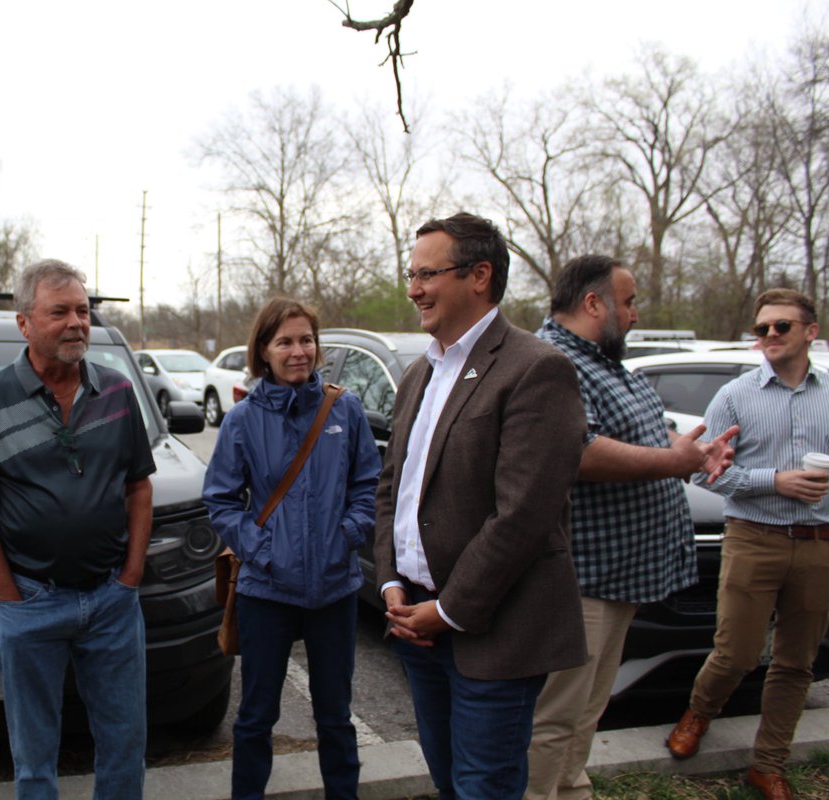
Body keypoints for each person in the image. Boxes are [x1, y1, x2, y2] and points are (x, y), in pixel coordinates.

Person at [374, 212, 589, 799]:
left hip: (492, 630)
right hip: (414, 621)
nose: (413, 288)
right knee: (450, 783)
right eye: (410, 274)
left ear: (479, 275)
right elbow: (392, 488)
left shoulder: (536, 368)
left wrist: (445, 612)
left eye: (427, 274)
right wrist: (392, 584)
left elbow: (522, 516)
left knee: (483, 789)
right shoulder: (421, 370)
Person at [526, 255, 736, 800]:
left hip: (621, 576)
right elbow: (580, 452)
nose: (637, 312)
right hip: (582, 579)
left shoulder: (607, 363)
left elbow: (653, 437)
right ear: (594, 303)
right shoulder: (553, 362)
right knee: (555, 715)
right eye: (630, 300)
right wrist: (675, 463)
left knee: (589, 708)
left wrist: (693, 451)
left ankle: (570, 787)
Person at [0, 260, 155, 799]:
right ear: (24, 323)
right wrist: (9, 597)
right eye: (59, 311)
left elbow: (138, 487)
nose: (76, 323)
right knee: (35, 755)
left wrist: (130, 575)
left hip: (111, 601)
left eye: (83, 311)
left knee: (125, 744)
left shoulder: (116, 392)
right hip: (32, 603)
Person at [203, 297, 381, 800]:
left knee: (335, 716)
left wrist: (348, 533)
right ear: (263, 350)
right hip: (266, 590)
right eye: (285, 341)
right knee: (257, 716)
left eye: (306, 340)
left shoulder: (343, 407)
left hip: (334, 589)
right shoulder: (241, 419)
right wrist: (261, 551)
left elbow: (367, 481)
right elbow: (220, 499)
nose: (298, 351)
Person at [665, 288, 829, 800]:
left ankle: (769, 764)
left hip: (819, 544)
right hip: (753, 538)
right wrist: (774, 481)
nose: (770, 337)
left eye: (782, 327)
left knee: (795, 663)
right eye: (762, 329)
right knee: (736, 653)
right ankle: (700, 712)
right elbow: (707, 473)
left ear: (810, 332)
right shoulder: (736, 395)